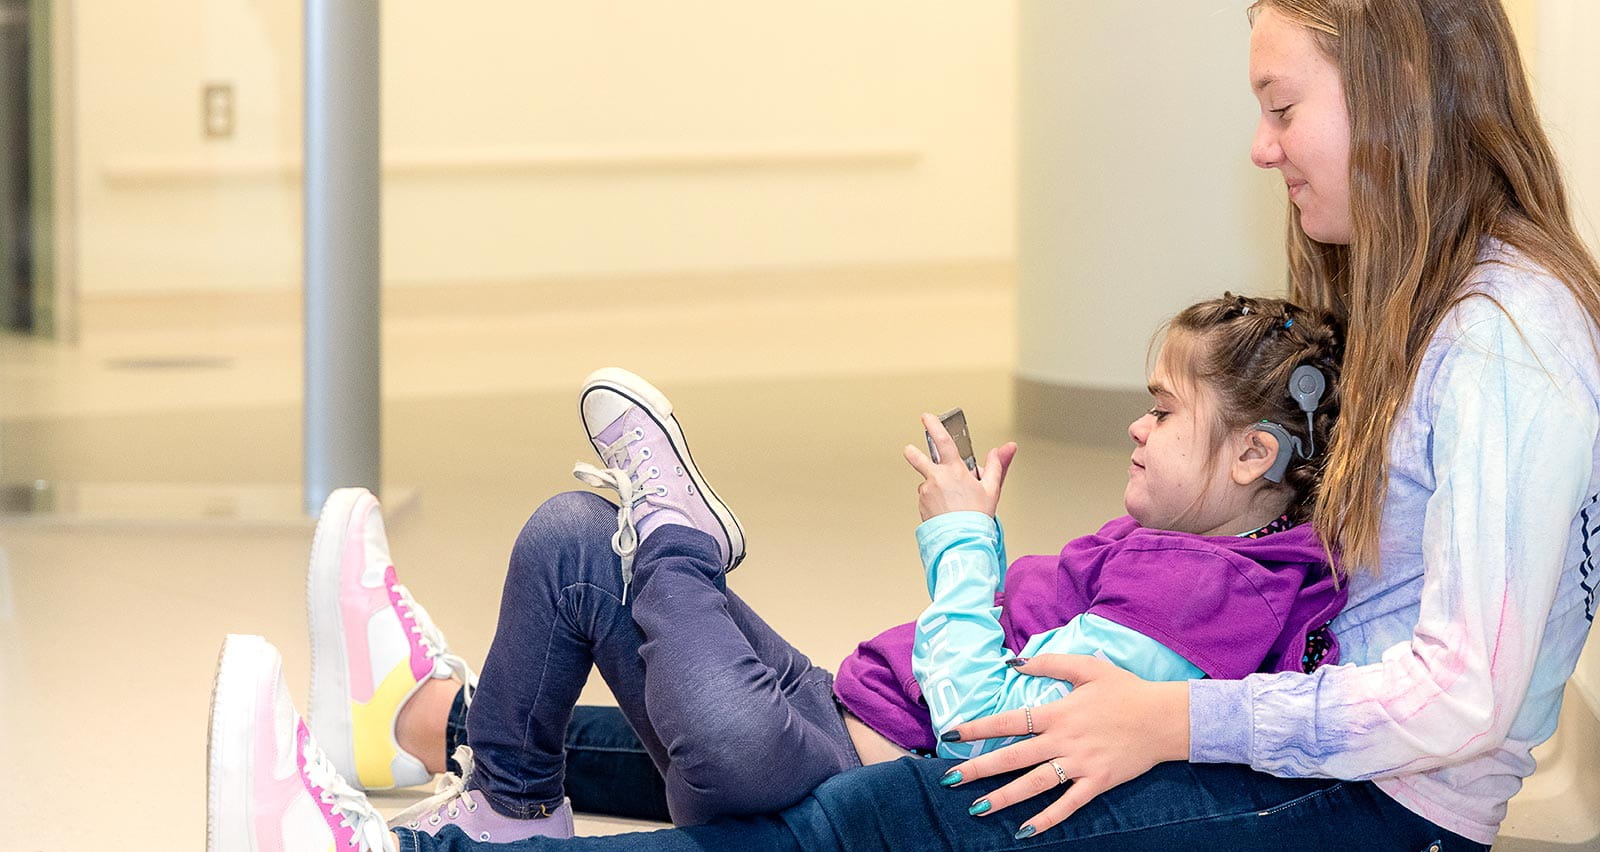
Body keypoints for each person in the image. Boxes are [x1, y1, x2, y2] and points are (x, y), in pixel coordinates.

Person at [205, 0, 1600, 848]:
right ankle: (426, 722)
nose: (1260, 144)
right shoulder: (1457, 315)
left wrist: (1169, 718)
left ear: (1400, 95)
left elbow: (1461, 697)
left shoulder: (1507, 346)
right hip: (1334, 761)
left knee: (862, 816)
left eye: (1283, 105)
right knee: (845, 758)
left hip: (1372, 803)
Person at [207, 288, 1347, 850]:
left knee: (719, 699)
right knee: (567, 537)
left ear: (1254, 454)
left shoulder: (1204, 594)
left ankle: (678, 541)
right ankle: (502, 807)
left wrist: (961, 542)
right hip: (830, 708)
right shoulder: (1181, 544)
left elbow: (986, 728)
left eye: (1162, 410)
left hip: (819, 770)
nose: (1136, 430)